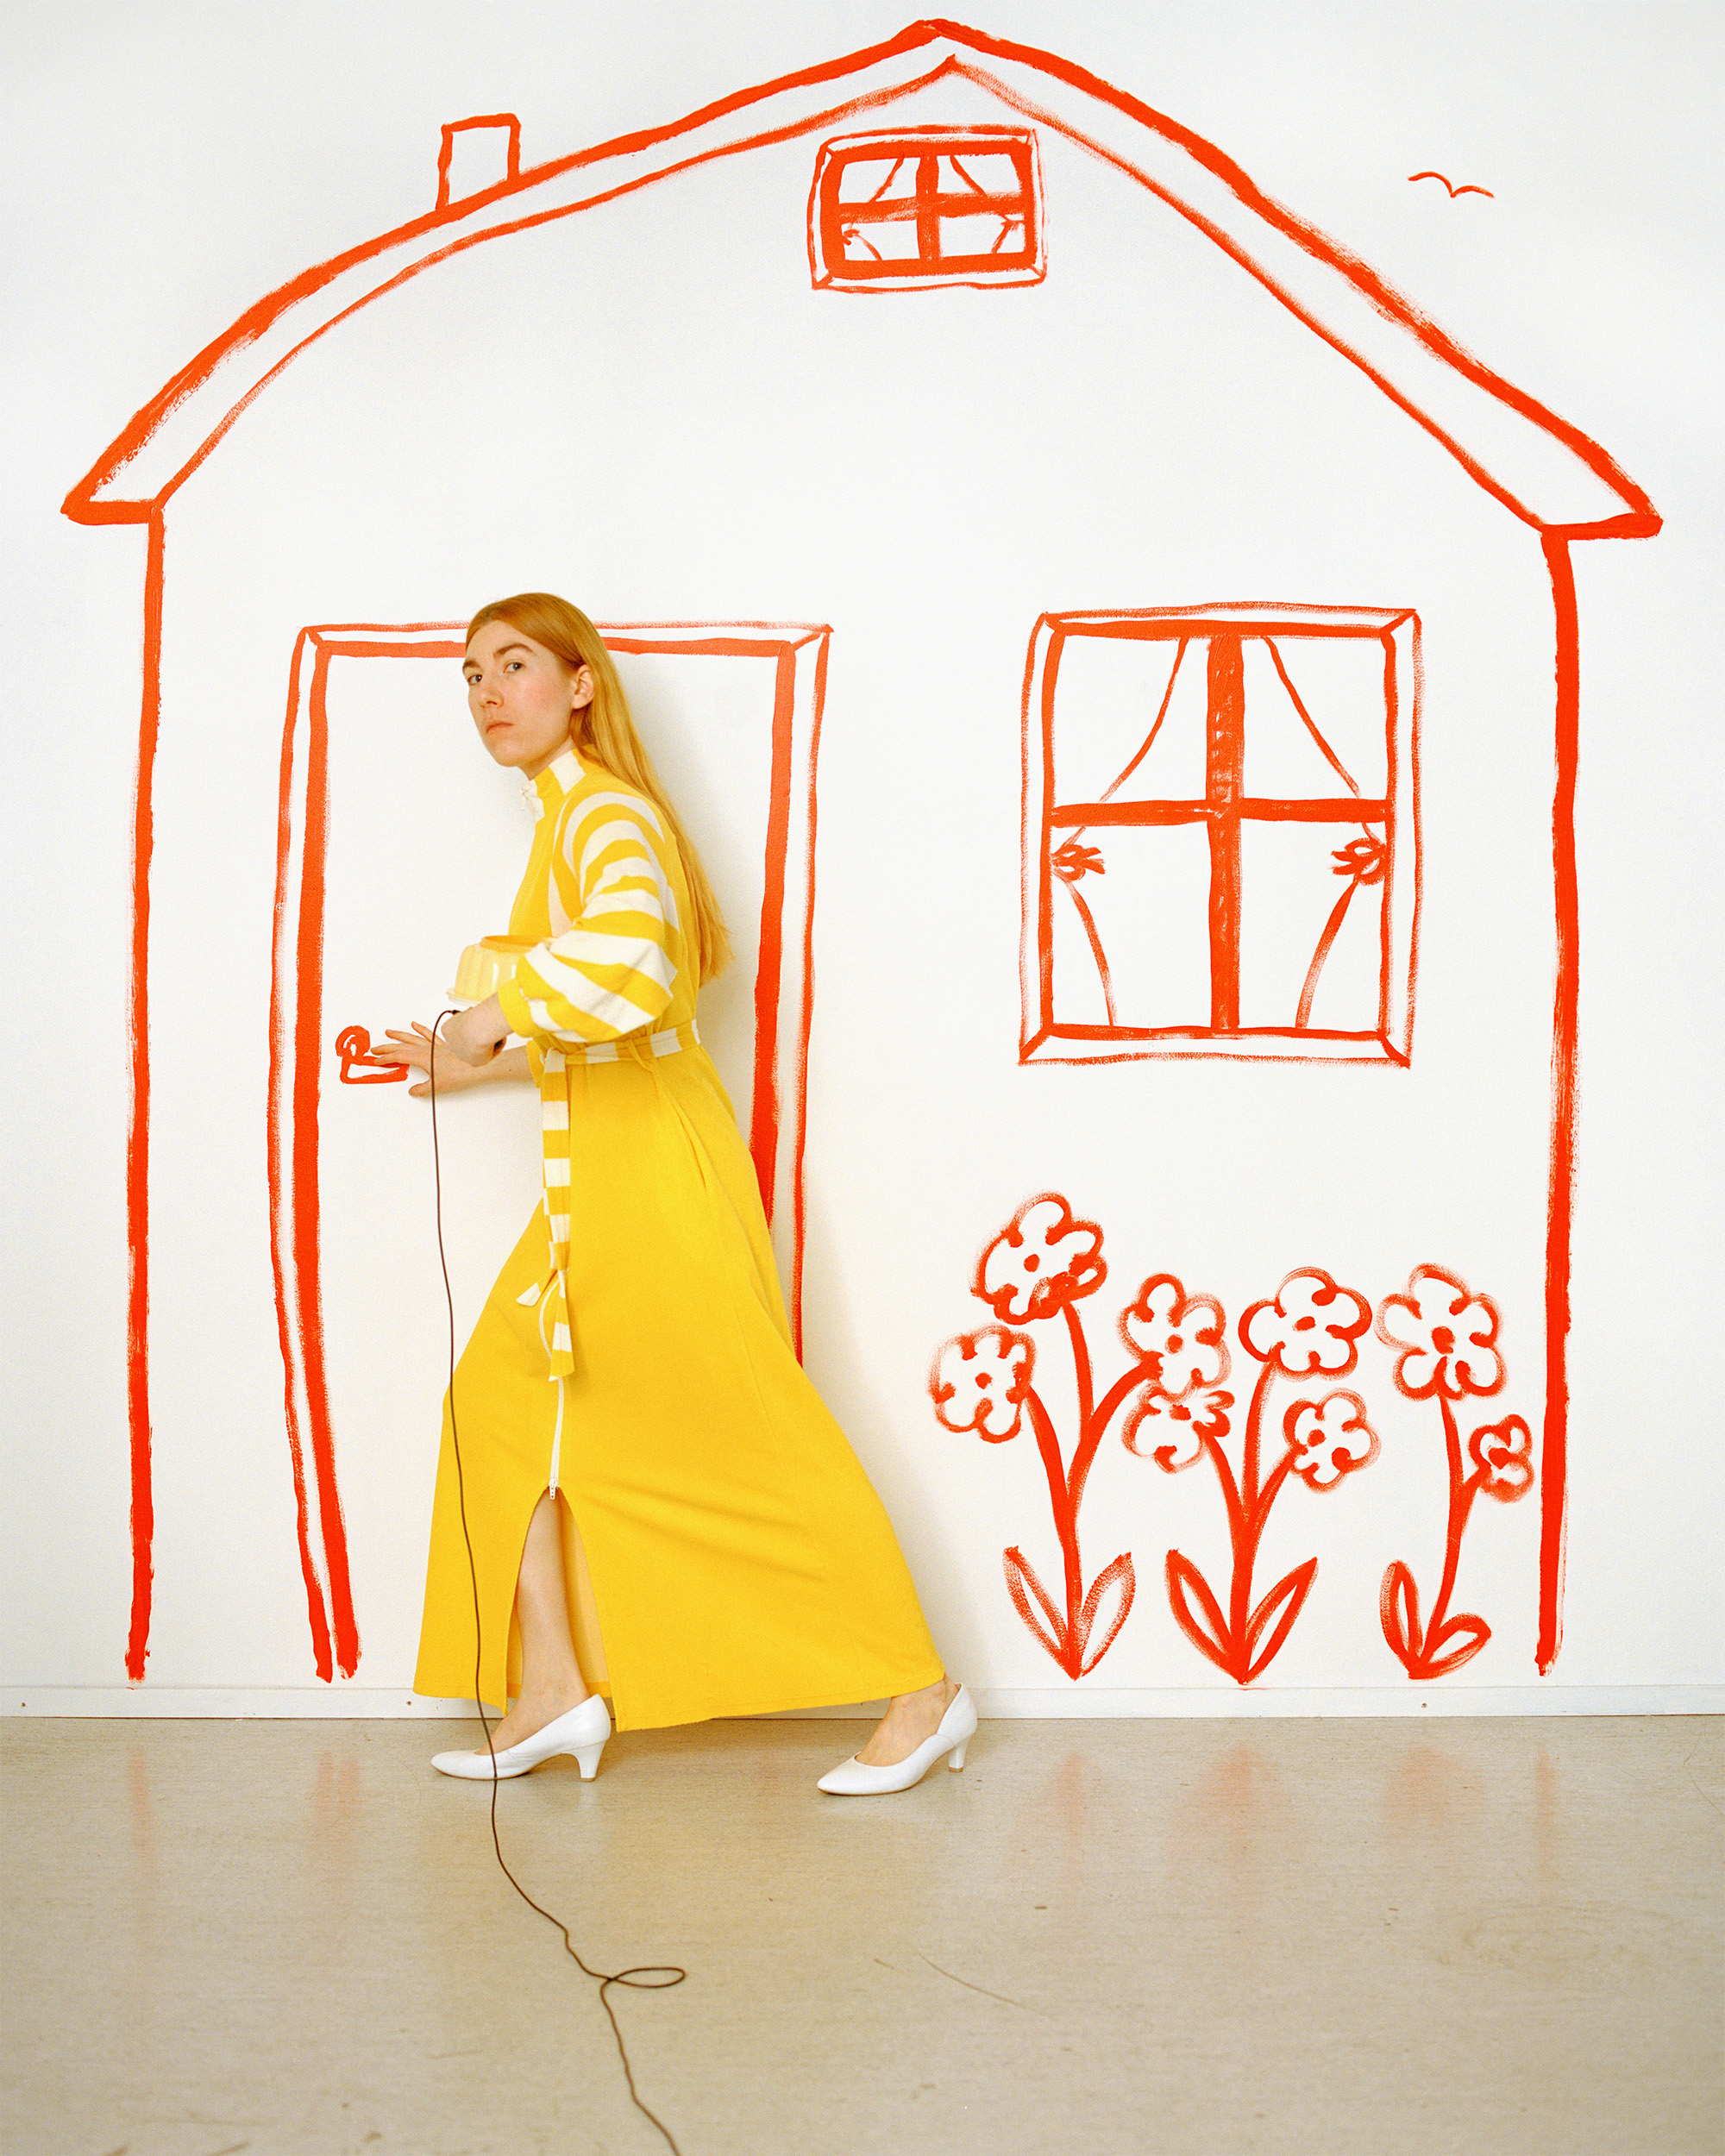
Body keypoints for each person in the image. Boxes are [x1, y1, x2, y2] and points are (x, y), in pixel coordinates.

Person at [376, 593, 974, 1796]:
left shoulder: (606, 815)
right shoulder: (567, 823)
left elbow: (638, 963)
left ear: (581, 682)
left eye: (514, 666)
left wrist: (488, 1019)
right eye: (471, 676)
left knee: (746, 1421)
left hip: (651, 1173)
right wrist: (479, 1063)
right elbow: (619, 1018)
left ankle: (923, 1692)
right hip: (597, 1177)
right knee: (497, 1408)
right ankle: (554, 1691)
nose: (488, 694)